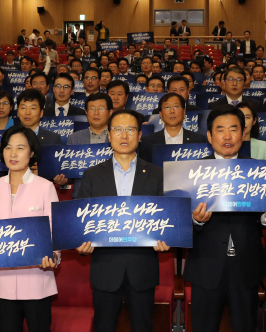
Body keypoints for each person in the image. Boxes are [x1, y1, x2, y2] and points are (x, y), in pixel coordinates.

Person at [185, 105, 266, 332]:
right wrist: (197, 220)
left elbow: (260, 219)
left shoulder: (259, 171)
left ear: (243, 134)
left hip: (246, 267)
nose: (227, 136)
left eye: (234, 129)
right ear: (210, 136)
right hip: (206, 266)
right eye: (220, 130)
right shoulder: (191, 172)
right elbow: (178, 224)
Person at [76, 109, 169, 332]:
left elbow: (167, 218)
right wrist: (82, 245)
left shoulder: (157, 174)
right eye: (118, 130)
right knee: (104, 326)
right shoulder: (92, 175)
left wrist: (166, 238)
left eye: (130, 130)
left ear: (139, 135)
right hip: (105, 268)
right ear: (109, 135)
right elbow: (80, 222)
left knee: (143, 326)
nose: (124, 135)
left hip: (142, 267)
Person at [0, 124, 59, 331]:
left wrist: (53, 256)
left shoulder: (45, 186)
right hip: (2, 279)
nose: (13, 153)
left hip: (36, 279)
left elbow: (54, 229)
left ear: (31, 153)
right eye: (8, 147)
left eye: (20, 148)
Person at [139, 93, 207, 162]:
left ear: (184, 112)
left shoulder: (198, 140)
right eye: (167, 107)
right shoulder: (148, 141)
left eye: (176, 106)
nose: (172, 111)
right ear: (161, 114)